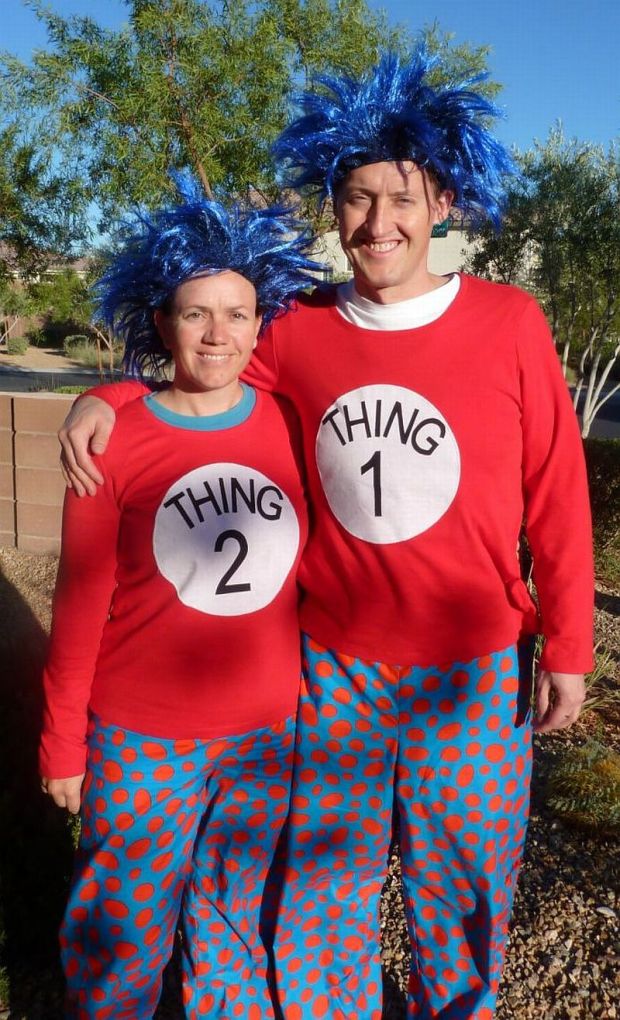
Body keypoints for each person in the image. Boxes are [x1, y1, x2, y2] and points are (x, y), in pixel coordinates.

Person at [57, 49, 594, 1020]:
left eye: (398, 198)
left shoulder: (508, 321)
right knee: (319, 897)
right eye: (353, 199)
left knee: (459, 889)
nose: (375, 224)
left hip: (472, 671)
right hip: (333, 667)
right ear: (332, 205)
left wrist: (566, 642)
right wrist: (109, 390)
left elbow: (555, 486)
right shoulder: (299, 328)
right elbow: (201, 370)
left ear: (442, 200)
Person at [40, 178, 320, 1019]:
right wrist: (63, 742)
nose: (218, 333)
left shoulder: (289, 420)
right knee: (122, 933)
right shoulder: (114, 439)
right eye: (196, 313)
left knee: (231, 922)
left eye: (237, 314)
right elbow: (79, 603)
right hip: (141, 736)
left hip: (266, 730)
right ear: (162, 323)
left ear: (260, 326)